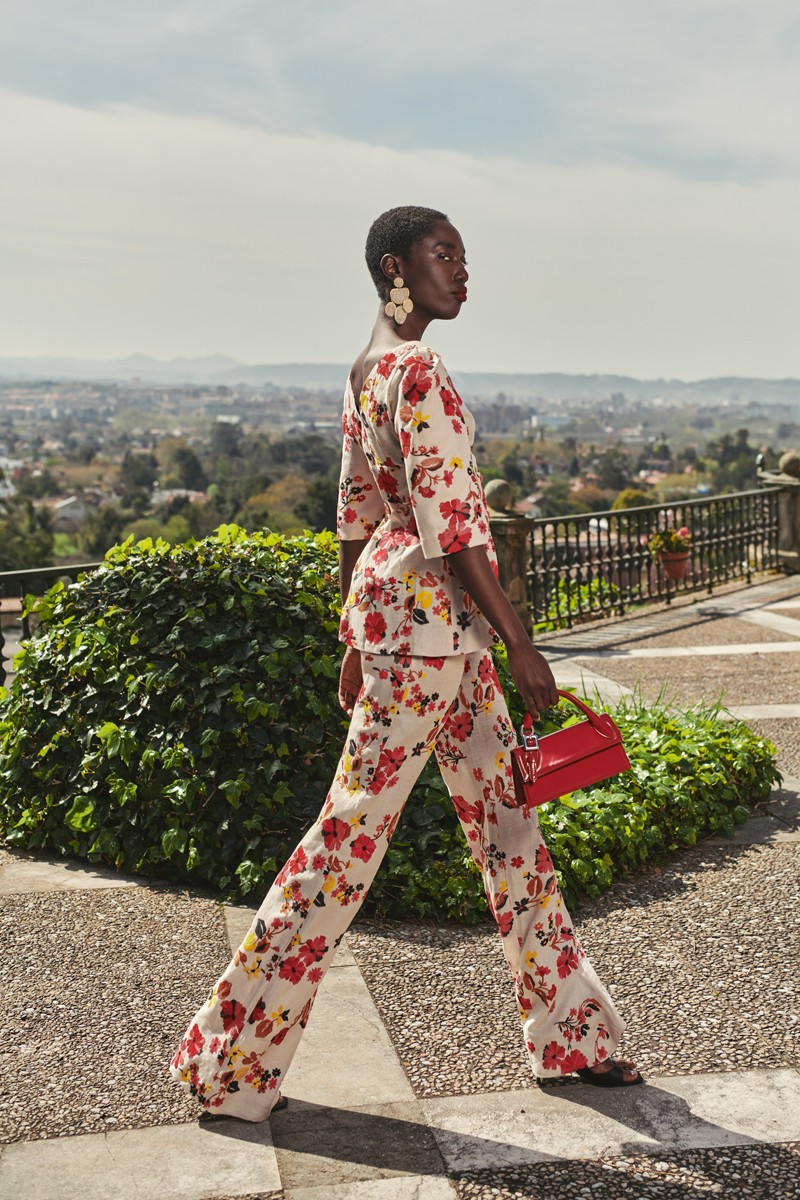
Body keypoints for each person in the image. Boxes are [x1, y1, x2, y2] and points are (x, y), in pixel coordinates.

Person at [169, 206, 642, 1121]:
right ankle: (227, 1062)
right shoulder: (415, 368)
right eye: (444, 255)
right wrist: (523, 643)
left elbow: (354, 516)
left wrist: (353, 636)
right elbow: (453, 527)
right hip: (431, 635)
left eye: (465, 256)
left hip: (426, 636)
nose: (462, 271)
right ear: (397, 266)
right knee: (346, 842)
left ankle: (575, 1037)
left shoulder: (363, 368)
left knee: (510, 831)